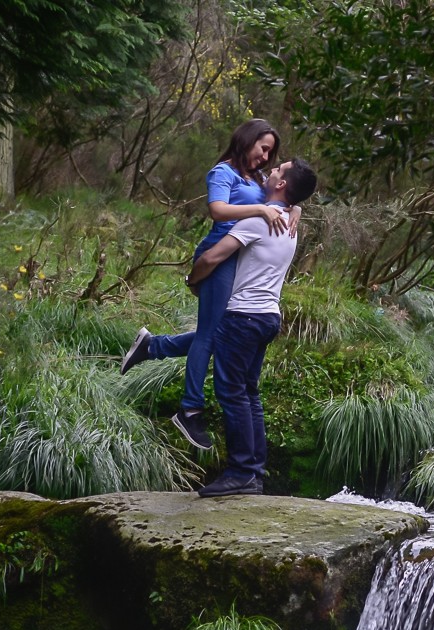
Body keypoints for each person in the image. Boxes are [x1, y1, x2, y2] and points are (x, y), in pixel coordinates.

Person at [118, 119, 298, 450]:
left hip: (237, 254)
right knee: (210, 334)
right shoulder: (223, 173)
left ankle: (152, 347)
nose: (266, 157)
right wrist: (259, 208)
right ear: (247, 140)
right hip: (219, 252)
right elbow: (217, 211)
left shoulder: (257, 178)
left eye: (271, 152)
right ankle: (189, 409)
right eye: (263, 148)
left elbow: (280, 194)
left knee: (219, 333)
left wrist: (295, 206)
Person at [183, 158, 318, 497]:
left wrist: (192, 278)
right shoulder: (289, 221)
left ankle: (241, 472)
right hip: (268, 316)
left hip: (242, 316)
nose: (270, 171)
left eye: (277, 170)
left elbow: (214, 257)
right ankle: (253, 473)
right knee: (249, 394)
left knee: (232, 394)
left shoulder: (259, 220)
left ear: (282, 184)